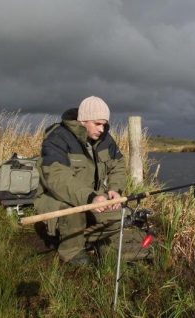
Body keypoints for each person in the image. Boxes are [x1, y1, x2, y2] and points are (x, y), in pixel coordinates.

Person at [33, 96, 127, 266]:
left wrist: (115, 190)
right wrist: (90, 198)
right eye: (97, 123)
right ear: (83, 120)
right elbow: (57, 177)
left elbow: (118, 165)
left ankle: (77, 236)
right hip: (56, 198)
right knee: (73, 212)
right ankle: (71, 251)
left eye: (104, 124)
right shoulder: (57, 139)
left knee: (124, 216)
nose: (102, 129)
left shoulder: (106, 139)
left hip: (91, 197)